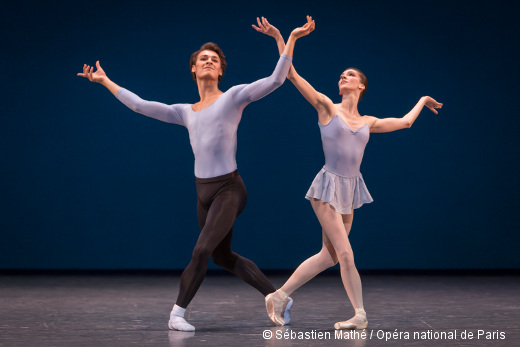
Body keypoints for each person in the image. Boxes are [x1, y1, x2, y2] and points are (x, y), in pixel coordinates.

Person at [77, 18, 315, 331]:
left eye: (214, 60)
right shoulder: (185, 112)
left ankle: (177, 313)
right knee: (222, 256)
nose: (208, 61)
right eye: (203, 58)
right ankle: (277, 296)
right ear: (193, 69)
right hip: (202, 191)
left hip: (229, 189)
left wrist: (287, 38)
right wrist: (105, 81)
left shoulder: (233, 97)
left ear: (220, 72)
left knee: (201, 250)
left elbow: (275, 80)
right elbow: (140, 105)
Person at [253, 16, 442, 329]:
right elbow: (291, 75)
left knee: (329, 256)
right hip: (327, 188)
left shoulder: (368, 121)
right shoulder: (327, 107)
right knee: (345, 252)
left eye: (350, 75)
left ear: (360, 86)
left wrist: (422, 100)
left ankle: (279, 295)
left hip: (351, 189)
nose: (343, 77)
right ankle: (360, 315)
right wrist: (287, 37)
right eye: (341, 75)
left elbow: (405, 122)